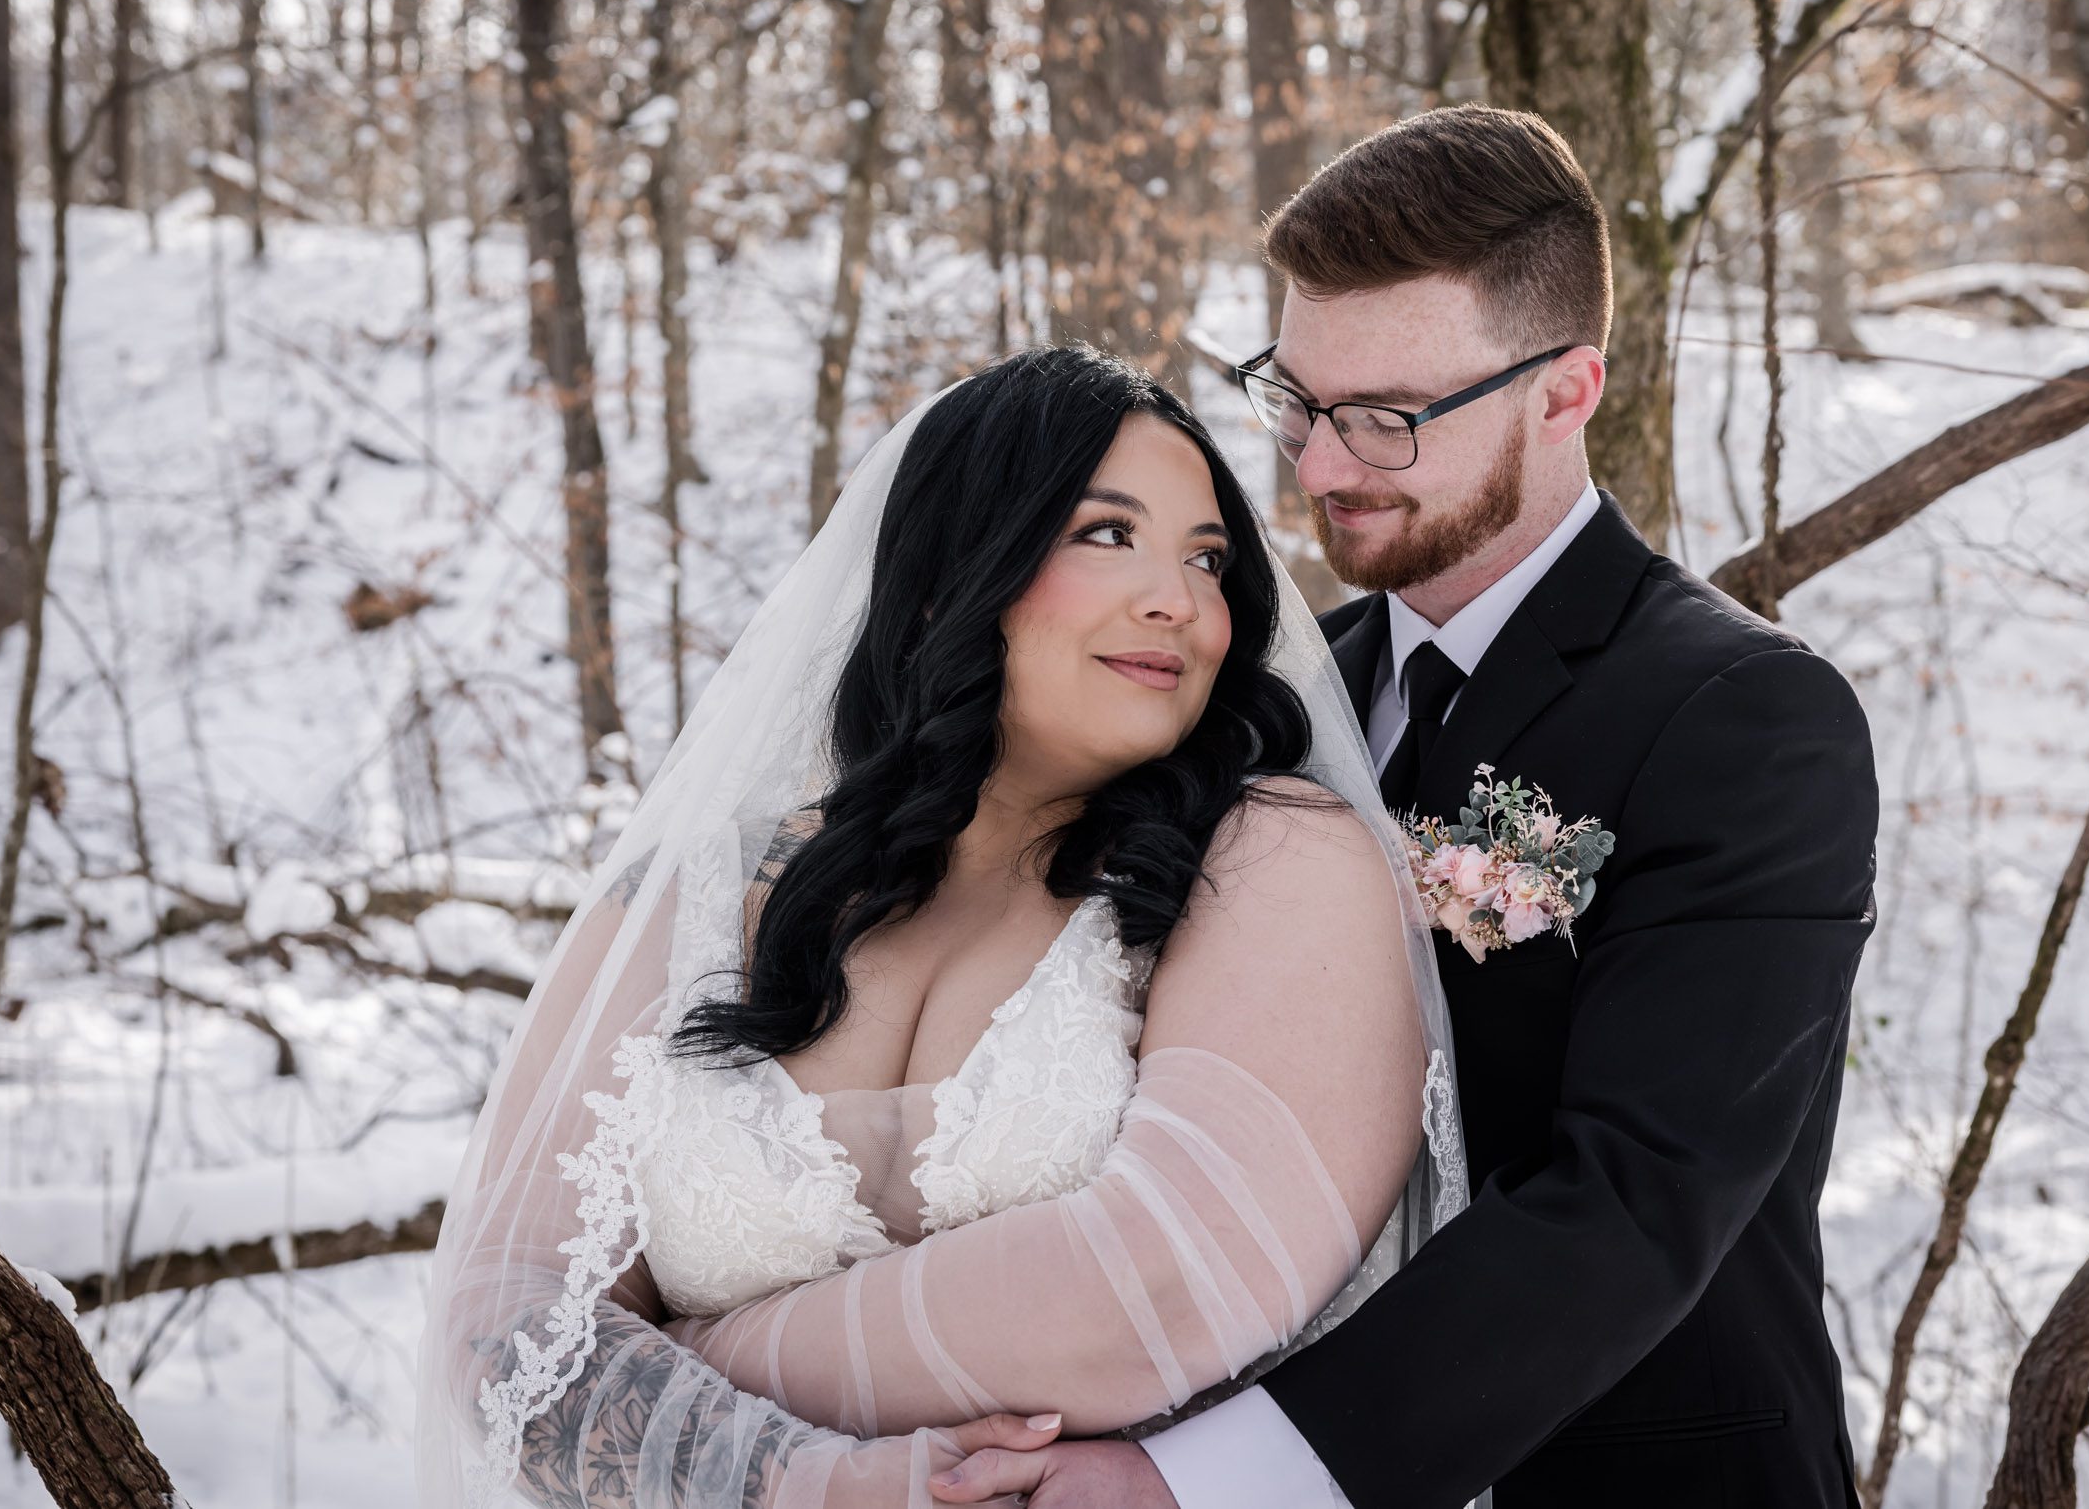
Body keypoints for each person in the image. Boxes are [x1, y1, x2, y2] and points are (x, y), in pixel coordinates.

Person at [936, 106, 1881, 1507]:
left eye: (1386, 419)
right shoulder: (1269, 695)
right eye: (1299, 402)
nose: (1318, 468)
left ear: (1565, 392)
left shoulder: (1746, 717)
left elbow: (1637, 1197)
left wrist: (1202, 1481)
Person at [413, 346, 1473, 1506]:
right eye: (1105, 533)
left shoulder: (1276, 856)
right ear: (947, 573)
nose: (1179, 598)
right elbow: (505, 1321)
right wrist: (816, 1484)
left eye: (1207, 556)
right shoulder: (689, 899)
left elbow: (1153, 1289)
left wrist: (696, 1355)